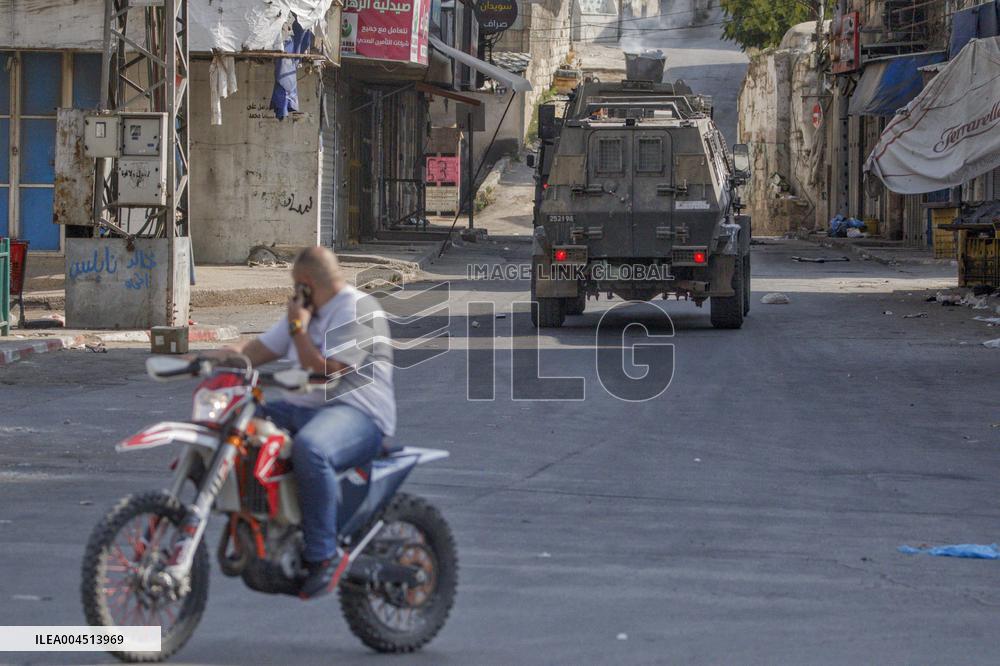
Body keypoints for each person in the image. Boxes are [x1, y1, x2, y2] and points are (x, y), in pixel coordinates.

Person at [225, 247, 396, 599]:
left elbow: (324, 368)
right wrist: (201, 359)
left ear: (304, 285)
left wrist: (298, 328)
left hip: (358, 415)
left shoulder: (357, 309)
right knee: (234, 426)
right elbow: (255, 353)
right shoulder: (307, 314)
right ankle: (261, 528)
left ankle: (323, 554)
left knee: (311, 449)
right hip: (302, 409)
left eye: (295, 287)